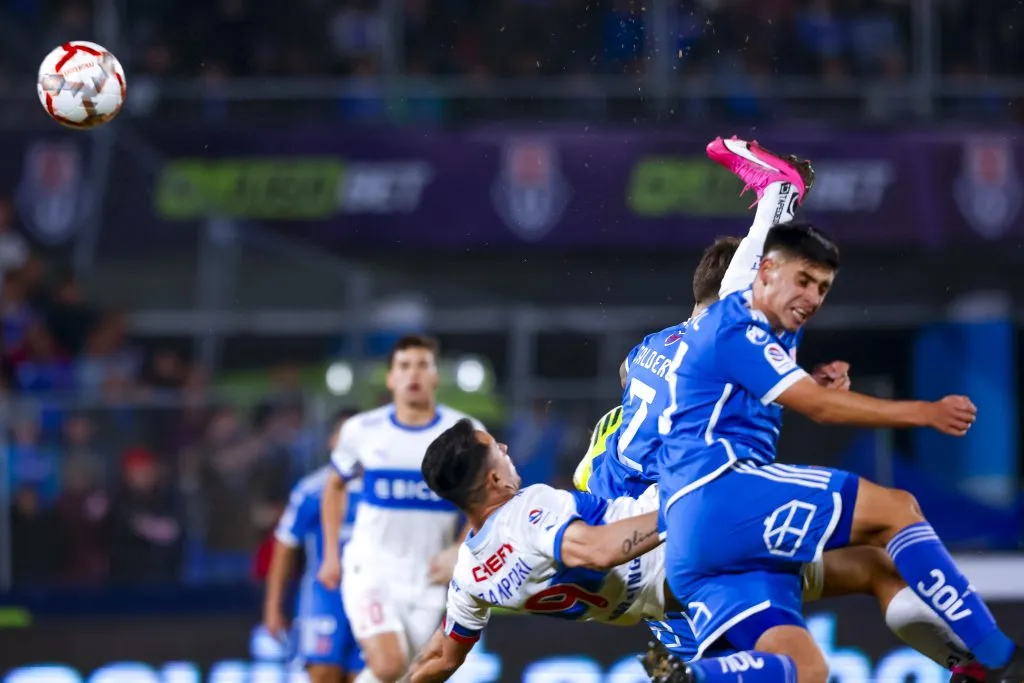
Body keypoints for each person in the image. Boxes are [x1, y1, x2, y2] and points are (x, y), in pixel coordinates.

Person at [575, 137, 980, 677]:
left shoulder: (647, 351)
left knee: (861, 579)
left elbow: (676, 387)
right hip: (677, 530)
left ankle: (973, 666)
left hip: (635, 540)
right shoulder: (720, 333)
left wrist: (798, 381)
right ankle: (778, 193)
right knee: (876, 567)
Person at [659, 201, 1023, 679]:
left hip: (694, 546)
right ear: (764, 271)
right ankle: (1002, 658)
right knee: (895, 510)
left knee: (805, 668)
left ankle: (691, 677)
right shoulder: (736, 326)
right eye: (804, 280)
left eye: (824, 288)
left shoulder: (764, 326)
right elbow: (820, 409)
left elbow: (743, 397)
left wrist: (808, 381)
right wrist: (924, 412)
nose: (813, 297)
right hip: (720, 492)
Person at [401, 419, 802, 683]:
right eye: (495, 448)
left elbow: (441, 658)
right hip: (695, 548)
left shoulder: (470, 575)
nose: (505, 446)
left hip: (668, 608)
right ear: (492, 478)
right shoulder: (527, 511)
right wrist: (683, 504)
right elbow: (598, 551)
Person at [318, 335, 484, 683]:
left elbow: (486, 502)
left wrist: (459, 548)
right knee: (390, 665)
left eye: (423, 365)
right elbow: (333, 487)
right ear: (391, 377)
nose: (414, 374)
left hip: (429, 575)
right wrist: (331, 555)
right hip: (372, 568)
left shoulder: (463, 435)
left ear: (436, 376)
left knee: (408, 676)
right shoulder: (362, 430)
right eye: (404, 366)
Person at [263, 409, 363, 683]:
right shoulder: (312, 490)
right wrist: (273, 607)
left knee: (366, 676)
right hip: (325, 597)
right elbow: (284, 547)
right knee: (323, 674)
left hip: (371, 596)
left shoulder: (381, 491)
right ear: (332, 441)